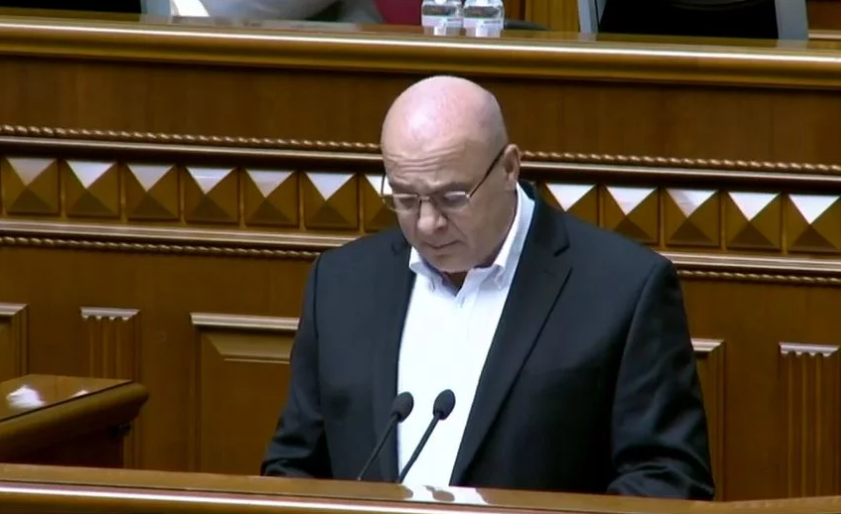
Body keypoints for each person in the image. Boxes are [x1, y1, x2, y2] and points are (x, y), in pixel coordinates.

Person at [261, 75, 714, 500]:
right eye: (405, 198)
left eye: (452, 197)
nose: (428, 223)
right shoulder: (340, 284)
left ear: (509, 168)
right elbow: (294, 466)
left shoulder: (623, 288)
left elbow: (667, 479)